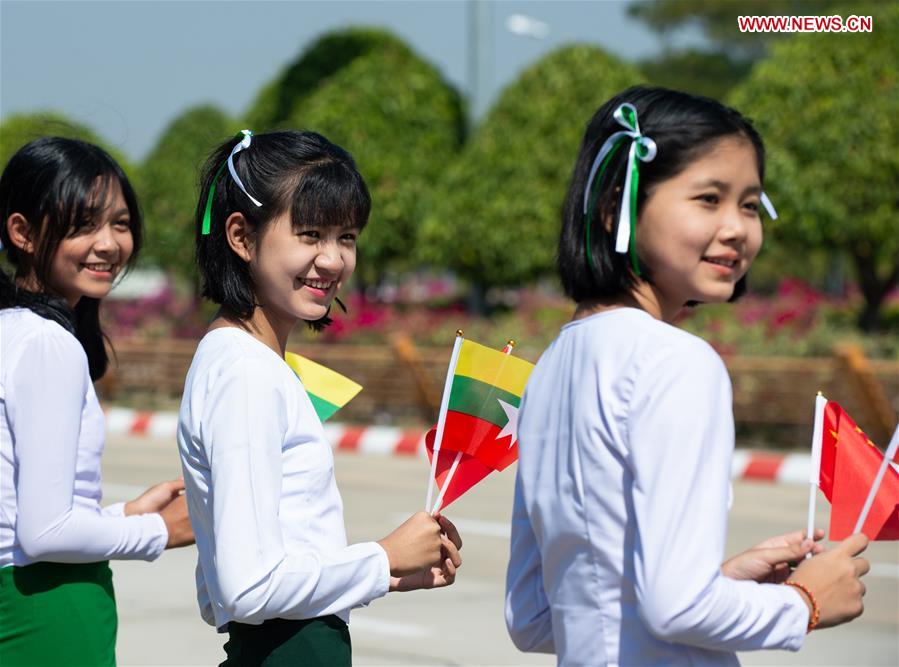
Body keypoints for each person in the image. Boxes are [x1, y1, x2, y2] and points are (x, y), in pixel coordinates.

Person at [504, 86, 870, 666]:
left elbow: (533, 616)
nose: (737, 229)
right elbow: (676, 608)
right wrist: (805, 601)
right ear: (614, 207)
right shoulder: (677, 362)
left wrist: (721, 581)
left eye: (750, 205)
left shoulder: (549, 368)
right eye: (708, 198)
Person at [177, 129, 462, 666]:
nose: (332, 259)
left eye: (347, 237)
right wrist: (382, 559)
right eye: (309, 234)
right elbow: (246, 590)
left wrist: (392, 573)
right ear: (240, 236)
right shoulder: (246, 373)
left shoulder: (240, 359)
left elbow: (223, 582)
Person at [0, 137, 194, 666]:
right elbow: (43, 534)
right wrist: (160, 530)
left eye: (121, 224)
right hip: (45, 607)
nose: (108, 244)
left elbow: (22, 511)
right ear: (22, 231)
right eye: (84, 224)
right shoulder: (46, 344)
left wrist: (121, 512)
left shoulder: (13, 331)